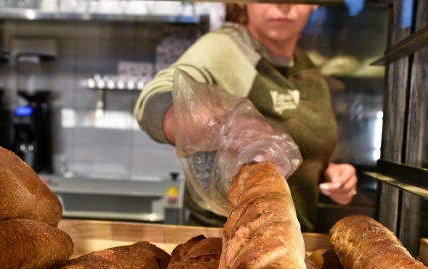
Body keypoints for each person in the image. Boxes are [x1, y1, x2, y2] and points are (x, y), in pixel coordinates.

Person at [134, 3, 358, 231]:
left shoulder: (309, 69)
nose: (283, 4)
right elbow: (153, 102)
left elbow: (310, 153)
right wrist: (226, 126)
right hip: (222, 241)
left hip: (293, 241)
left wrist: (331, 171)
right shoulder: (223, 49)